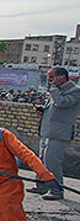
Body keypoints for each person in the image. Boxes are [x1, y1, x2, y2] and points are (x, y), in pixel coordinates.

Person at [29, 67, 80, 200]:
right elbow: (54, 108)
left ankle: (56, 190)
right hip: (47, 131)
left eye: (52, 77)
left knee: (52, 161)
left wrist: (55, 90)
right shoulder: (56, 92)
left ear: (62, 77)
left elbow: (63, 103)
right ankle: (41, 185)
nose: (49, 80)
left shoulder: (75, 91)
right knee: (42, 160)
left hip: (60, 133)